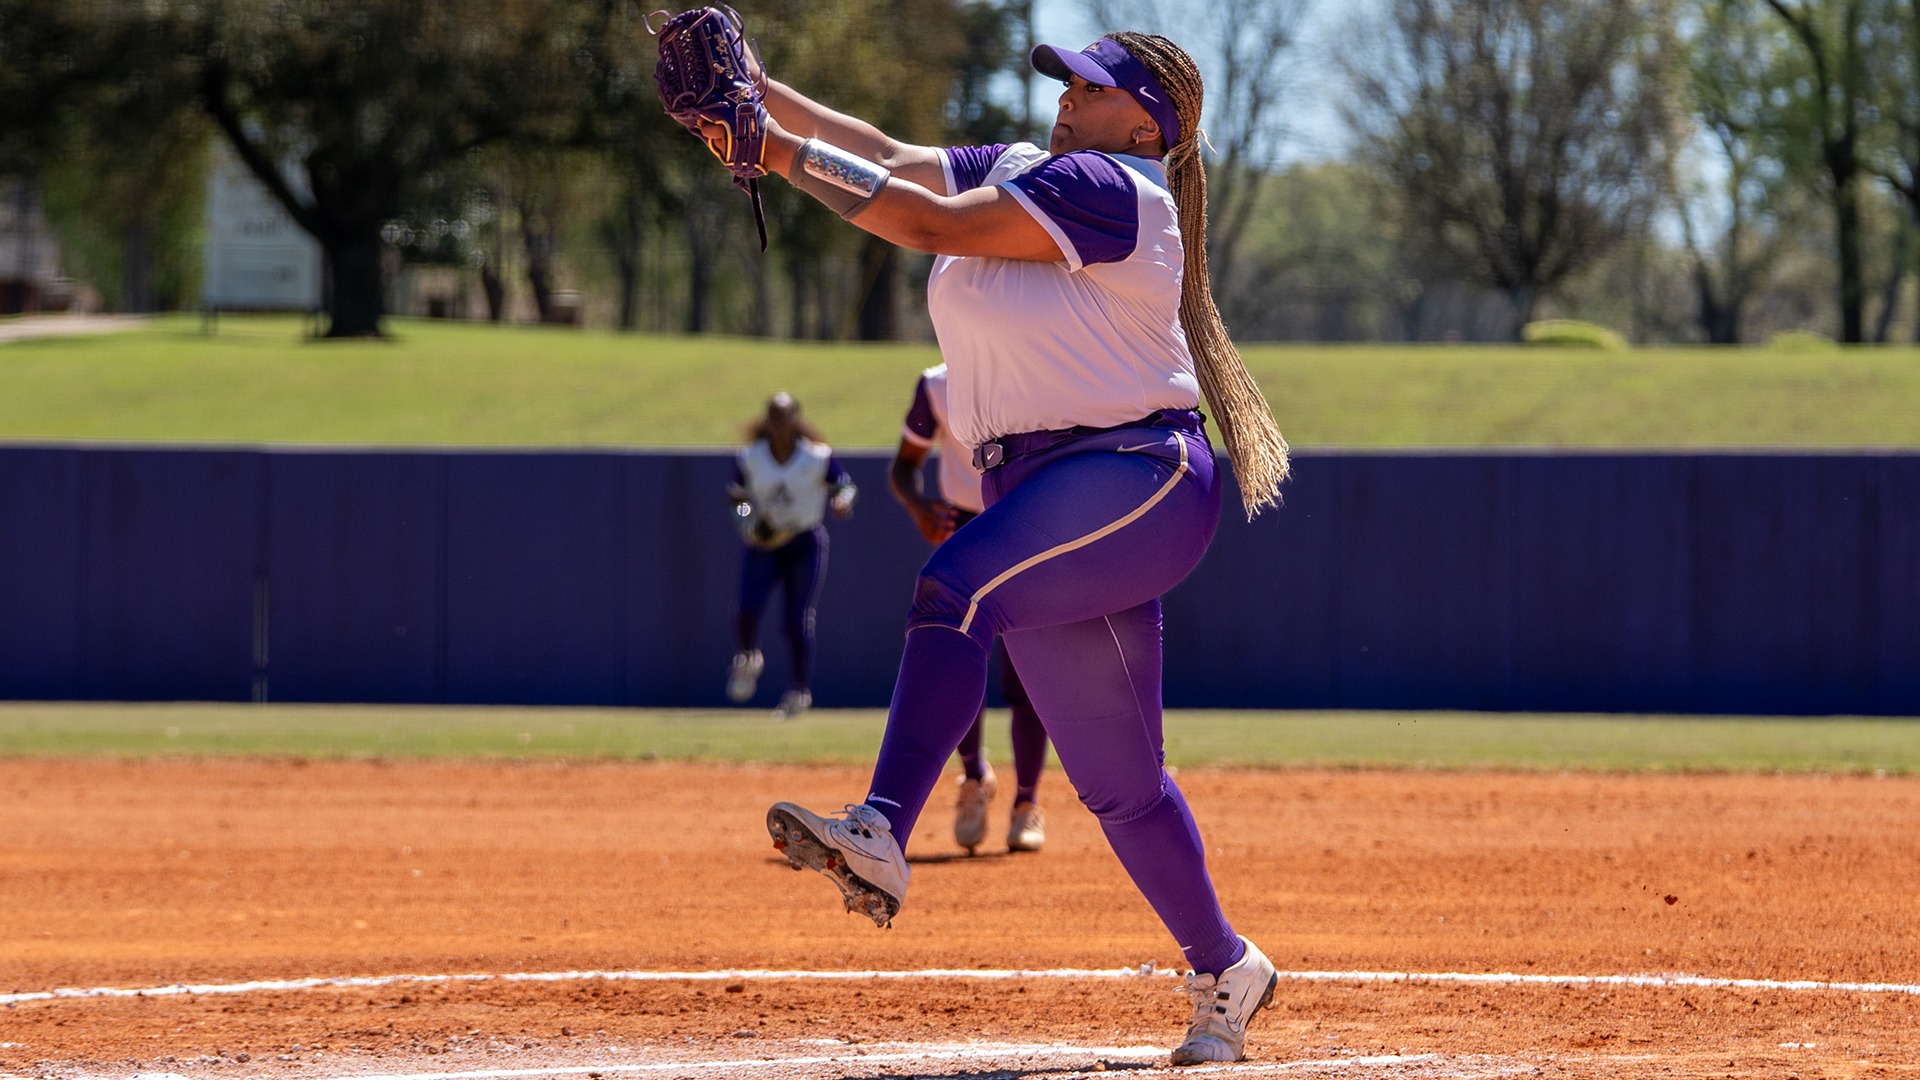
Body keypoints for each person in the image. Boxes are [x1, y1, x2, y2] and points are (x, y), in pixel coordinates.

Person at [685, 29, 1291, 1066]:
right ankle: (1227, 966)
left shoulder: (1113, 187)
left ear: (1146, 127)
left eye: (1093, 87)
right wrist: (757, 93)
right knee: (1121, 787)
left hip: (1133, 474)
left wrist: (771, 150)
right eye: (1067, 81)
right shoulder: (1021, 164)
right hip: (1040, 485)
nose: (1068, 96)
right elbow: (884, 155)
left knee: (955, 588)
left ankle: (883, 827)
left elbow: (925, 221)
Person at [890, 363, 1049, 854]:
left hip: (1023, 522)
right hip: (963, 526)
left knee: (1026, 673)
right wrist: (918, 505)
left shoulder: (1032, 367)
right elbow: (904, 465)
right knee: (960, 664)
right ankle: (974, 777)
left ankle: (1026, 801)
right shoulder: (938, 384)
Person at [725, 391, 856, 720]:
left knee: (796, 618)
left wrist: (842, 501)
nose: (779, 425)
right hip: (765, 542)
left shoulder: (815, 457)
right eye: (774, 417)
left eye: (785, 417)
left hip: (803, 540)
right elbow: (738, 498)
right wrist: (748, 522)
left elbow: (843, 485)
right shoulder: (752, 456)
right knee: (747, 607)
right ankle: (747, 656)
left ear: (796, 419)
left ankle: (798, 691)